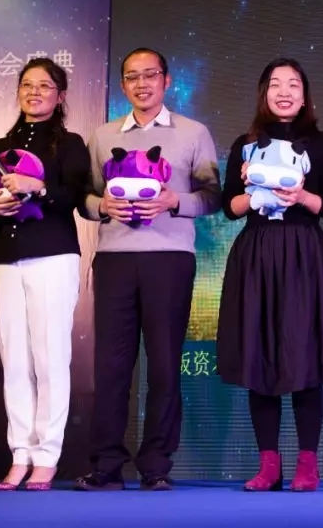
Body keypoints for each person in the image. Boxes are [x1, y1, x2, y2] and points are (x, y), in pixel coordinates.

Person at [75, 48, 221, 491]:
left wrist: (175, 201)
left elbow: (213, 196)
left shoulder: (193, 132)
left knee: (164, 363)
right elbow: (85, 198)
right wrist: (103, 206)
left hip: (170, 258)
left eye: (150, 75)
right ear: (123, 85)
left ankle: (156, 464)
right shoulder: (103, 135)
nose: (142, 84)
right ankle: (106, 464)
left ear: (166, 80)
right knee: (111, 366)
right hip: (114, 259)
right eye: (132, 77)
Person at [216, 57, 323, 493]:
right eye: (275, 84)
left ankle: (307, 465)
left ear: (305, 95)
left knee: (304, 357)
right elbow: (228, 206)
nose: (284, 91)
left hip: (303, 253)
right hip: (257, 253)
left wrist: (301, 196)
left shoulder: (322, 143)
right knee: (260, 357)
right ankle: (268, 465)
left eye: (293, 84)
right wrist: (251, 195)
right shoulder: (245, 144)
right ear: (264, 93)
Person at [0, 57, 91, 491]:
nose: (34, 92)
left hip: (52, 256)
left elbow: (75, 197)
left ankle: (47, 455)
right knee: (15, 359)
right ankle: (19, 452)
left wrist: (35, 187)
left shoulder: (70, 143)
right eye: (27, 84)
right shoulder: (1, 145)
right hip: (6, 258)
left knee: (50, 357)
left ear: (60, 96)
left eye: (44, 86)